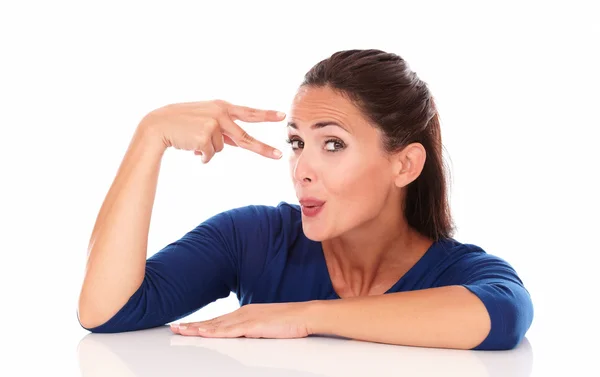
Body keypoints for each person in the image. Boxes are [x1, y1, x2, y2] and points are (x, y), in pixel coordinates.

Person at [77, 49, 534, 351]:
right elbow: (105, 310)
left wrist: (306, 317)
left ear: (405, 165)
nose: (302, 170)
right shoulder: (253, 238)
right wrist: (149, 136)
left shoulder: (458, 272)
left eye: (332, 144)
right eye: (297, 143)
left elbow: (504, 315)